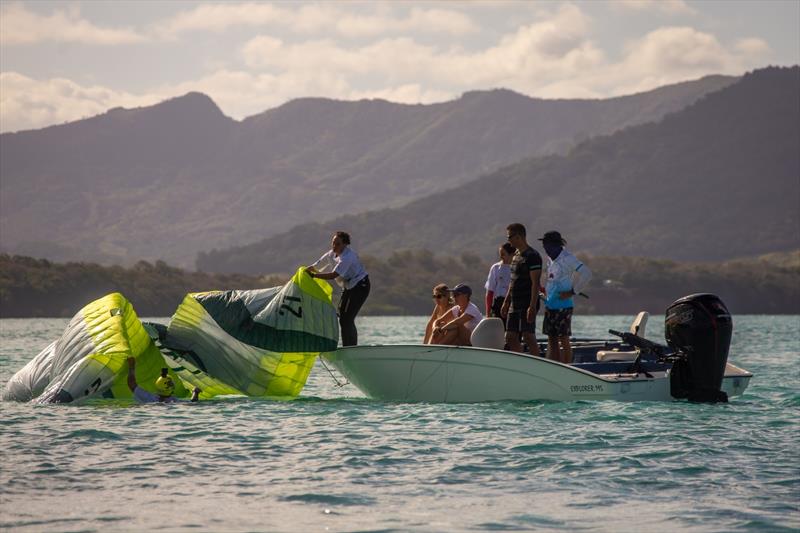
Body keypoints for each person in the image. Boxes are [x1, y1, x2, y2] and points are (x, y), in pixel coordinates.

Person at [306, 231, 370, 347]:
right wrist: (304, 272)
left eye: (338, 244)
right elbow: (315, 267)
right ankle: (348, 347)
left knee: (347, 319)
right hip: (348, 286)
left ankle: (350, 348)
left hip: (361, 286)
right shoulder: (331, 254)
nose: (334, 246)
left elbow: (333, 275)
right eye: (333, 243)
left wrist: (314, 276)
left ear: (345, 245)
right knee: (342, 317)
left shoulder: (347, 257)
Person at [539, 231, 592, 364]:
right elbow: (551, 280)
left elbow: (587, 273)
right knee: (552, 338)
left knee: (563, 339)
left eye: (546, 245)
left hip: (564, 306)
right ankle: (554, 365)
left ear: (555, 244)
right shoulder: (550, 260)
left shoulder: (568, 258)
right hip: (550, 304)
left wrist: (573, 292)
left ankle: (567, 367)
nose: (545, 249)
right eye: (544, 246)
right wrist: (544, 293)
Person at [500, 223, 542, 356]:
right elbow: (513, 281)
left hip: (527, 301)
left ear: (518, 236)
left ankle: (538, 366)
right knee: (510, 336)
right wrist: (506, 301)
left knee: (528, 336)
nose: (508, 240)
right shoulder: (516, 255)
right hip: (514, 302)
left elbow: (536, 283)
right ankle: (520, 362)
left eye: (509, 237)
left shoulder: (532, 256)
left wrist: (532, 306)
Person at [127, 357, 200, 403]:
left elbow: (131, 384)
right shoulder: (174, 401)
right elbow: (193, 402)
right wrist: (195, 392)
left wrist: (131, 366)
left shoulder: (149, 398)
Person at [484, 242, 515, 324]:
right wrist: (488, 312)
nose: (501, 257)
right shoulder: (496, 268)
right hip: (498, 303)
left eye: (503, 254)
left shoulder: (517, 267)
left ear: (512, 254)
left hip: (513, 303)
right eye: (500, 254)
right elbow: (490, 292)